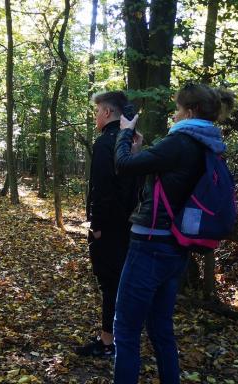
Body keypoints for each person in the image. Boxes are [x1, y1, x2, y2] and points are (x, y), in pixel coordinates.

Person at [111, 83, 234, 383]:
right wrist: (143, 152)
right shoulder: (209, 145)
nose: (175, 116)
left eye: (178, 110)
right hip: (177, 246)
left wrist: (125, 132)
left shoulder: (179, 141)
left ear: (190, 111)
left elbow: (123, 164)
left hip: (149, 243)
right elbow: (166, 176)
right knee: (161, 327)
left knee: (125, 329)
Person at [75, 91, 141, 358]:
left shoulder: (105, 143)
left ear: (107, 113)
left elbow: (102, 189)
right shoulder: (131, 143)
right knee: (120, 282)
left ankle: (107, 341)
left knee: (110, 283)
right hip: (129, 224)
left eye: (97, 111)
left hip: (111, 227)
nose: (95, 116)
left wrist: (97, 225)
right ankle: (117, 336)